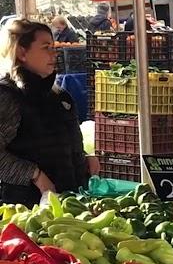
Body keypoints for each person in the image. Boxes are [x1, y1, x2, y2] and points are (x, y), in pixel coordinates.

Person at [0, 20, 100, 207]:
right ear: (22, 52)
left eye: (54, 47)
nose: (54, 54)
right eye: (46, 47)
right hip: (25, 210)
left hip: (69, 204)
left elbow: (59, 143)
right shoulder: (7, 96)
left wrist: (83, 158)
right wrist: (35, 175)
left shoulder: (60, 96)